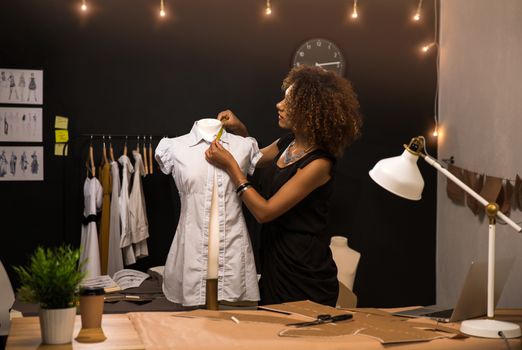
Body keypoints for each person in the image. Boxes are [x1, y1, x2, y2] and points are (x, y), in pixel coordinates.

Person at [205, 65, 362, 307]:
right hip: (274, 262)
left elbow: (265, 212)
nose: (279, 105)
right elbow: (254, 161)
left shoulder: (319, 163)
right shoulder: (288, 142)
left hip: (303, 272)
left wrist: (230, 168)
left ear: (310, 111)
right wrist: (241, 130)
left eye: (289, 102)